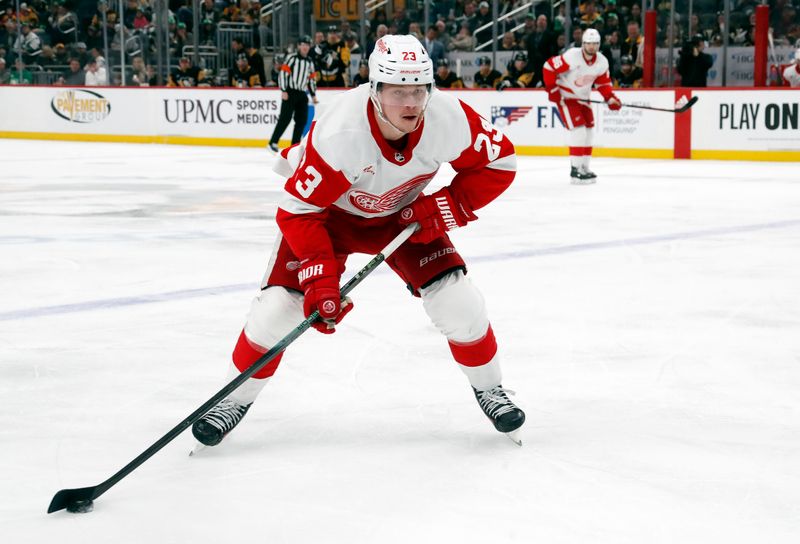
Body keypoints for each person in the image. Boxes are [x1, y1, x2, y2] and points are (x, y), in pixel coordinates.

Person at [192, 34, 525, 449]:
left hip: (403, 216)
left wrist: (445, 207)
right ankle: (232, 399)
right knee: (279, 309)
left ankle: (490, 388)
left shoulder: (448, 117)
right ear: (375, 89)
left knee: (458, 301)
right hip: (326, 217)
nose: (411, 104)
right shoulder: (340, 133)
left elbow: (499, 162)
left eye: (419, 91)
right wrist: (319, 278)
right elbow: (297, 212)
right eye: (399, 92)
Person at [543, 28, 621, 184]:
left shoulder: (602, 61)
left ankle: (584, 167)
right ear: (583, 44)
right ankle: (575, 169)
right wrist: (553, 90)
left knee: (589, 131)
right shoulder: (572, 56)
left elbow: (603, 83)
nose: (592, 47)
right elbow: (549, 67)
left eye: (595, 44)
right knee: (578, 130)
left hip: (584, 98)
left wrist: (610, 98)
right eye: (589, 43)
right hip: (567, 97)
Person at [268, 35, 318, 153]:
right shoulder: (292, 58)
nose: (305, 47)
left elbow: (311, 79)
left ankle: (294, 146)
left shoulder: (310, 62)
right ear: (298, 46)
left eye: (307, 45)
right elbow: (283, 74)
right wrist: (284, 90)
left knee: (301, 121)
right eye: (303, 44)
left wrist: (313, 94)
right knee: (285, 118)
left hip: (302, 94)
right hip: (290, 92)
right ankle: (273, 142)